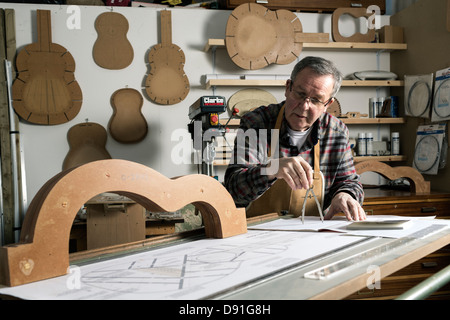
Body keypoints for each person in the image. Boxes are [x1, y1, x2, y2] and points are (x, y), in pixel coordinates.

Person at [224, 56, 366, 221]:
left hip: (313, 235)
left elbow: (349, 182)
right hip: (259, 235)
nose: (305, 106)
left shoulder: (337, 132)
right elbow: (233, 190)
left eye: (316, 100)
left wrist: (345, 194)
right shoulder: (257, 123)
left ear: (328, 104)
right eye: (300, 94)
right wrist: (271, 170)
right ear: (288, 88)